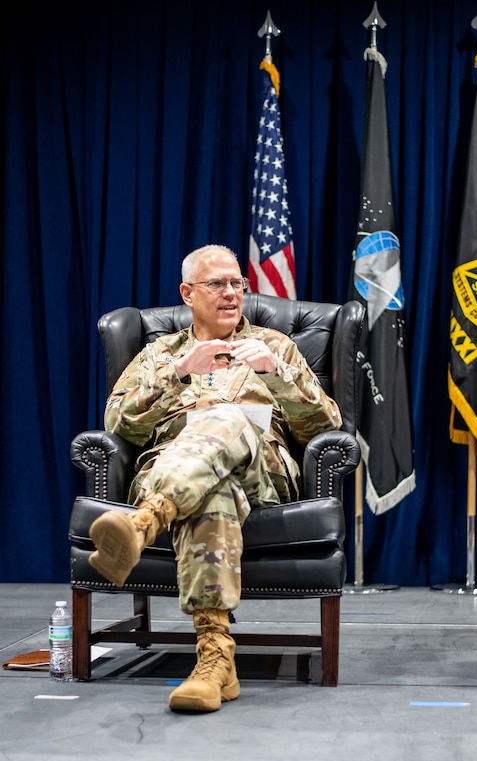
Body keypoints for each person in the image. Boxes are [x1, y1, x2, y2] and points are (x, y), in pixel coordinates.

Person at [88, 244, 342, 713]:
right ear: (187, 293)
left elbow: (327, 425)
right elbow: (116, 423)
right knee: (211, 491)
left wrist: (277, 373)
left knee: (229, 417)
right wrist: (179, 374)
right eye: (217, 284)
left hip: (261, 472)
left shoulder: (274, 346)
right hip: (180, 470)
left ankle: (145, 523)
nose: (231, 293)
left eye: (237, 284)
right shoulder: (160, 353)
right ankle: (214, 659)